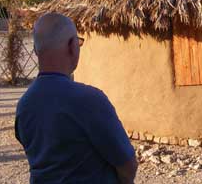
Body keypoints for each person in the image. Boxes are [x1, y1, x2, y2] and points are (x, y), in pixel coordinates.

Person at [15, 13, 137, 183]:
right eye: (79, 42)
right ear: (72, 46)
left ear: (36, 50)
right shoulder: (90, 100)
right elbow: (127, 164)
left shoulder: (25, 104)